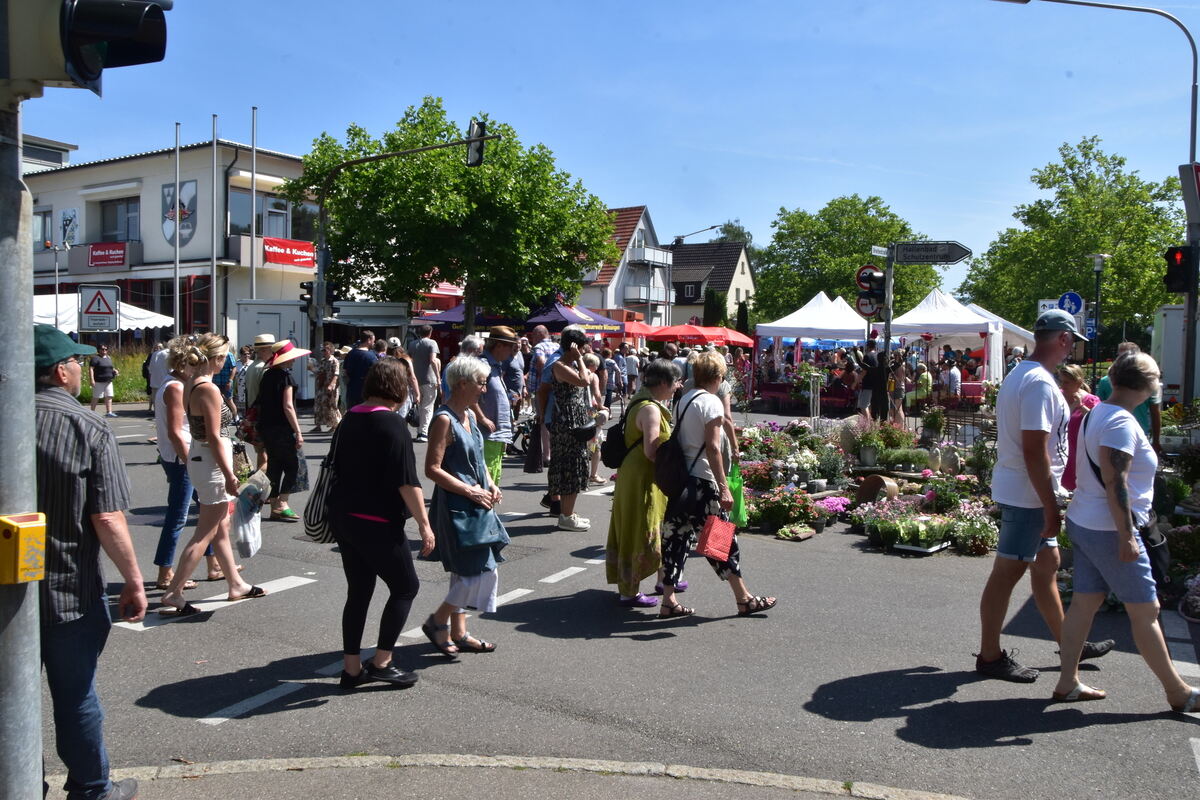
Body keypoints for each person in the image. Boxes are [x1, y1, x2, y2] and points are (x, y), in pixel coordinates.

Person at [34, 324, 146, 800]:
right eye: (76, 361)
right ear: (60, 372)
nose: (82, 368)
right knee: (75, 694)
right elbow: (107, 516)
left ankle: (21, 782)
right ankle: (92, 789)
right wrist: (133, 580)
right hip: (66, 589)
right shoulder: (87, 426)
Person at [1054, 352, 1199, 712]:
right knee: (1146, 610)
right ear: (1147, 385)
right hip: (1109, 528)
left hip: (1085, 520)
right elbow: (1114, 480)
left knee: (1085, 603)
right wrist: (1127, 536)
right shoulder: (1119, 421)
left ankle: (1068, 681)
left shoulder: (1099, 411)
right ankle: (1177, 692)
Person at [975, 310, 1113, 682]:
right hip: (1029, 495)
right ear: (1063, 339)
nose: (1073, 350)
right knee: (1006, 574)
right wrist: (1051, 507)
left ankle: (1070, 642)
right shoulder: (1038, 382)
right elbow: (1034, 451)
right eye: (1073, 343)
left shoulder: (1025, 375)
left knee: (1046, 565)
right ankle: (990, 656)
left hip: (1028, 491)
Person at [329, 358, 435, 689]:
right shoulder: (392, 424)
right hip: (377, 520)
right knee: (405, 587)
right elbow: (407, 482)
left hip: (344, 516)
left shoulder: (349, 418)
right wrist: (424, 524)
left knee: (359, 591)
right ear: (399, 388)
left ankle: (351, 669)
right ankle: (382, 662)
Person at [659, 350, 776, 619]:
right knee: (722, 541)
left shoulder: (684, 399)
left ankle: (668, 601)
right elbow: (712, 448)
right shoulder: (711, 402)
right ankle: (744, 599)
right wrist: (723, 487)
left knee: (676, 539)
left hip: (682, 482)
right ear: (718, 376)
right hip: (703, 481)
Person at [160, 333, 265, 615]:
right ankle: (174, 592)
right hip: (211, 462)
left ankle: (236, 584)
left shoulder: (191, 382)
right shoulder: (208, 388)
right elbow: (215, 436)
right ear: (217, 358)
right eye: (226, 357)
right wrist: (230, 475)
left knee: (219, 527)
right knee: (205, 532)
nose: (228, 363)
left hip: (201, 457)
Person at [423, 356, 510, 657]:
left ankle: (458, 632)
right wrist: (470, 490)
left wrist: (490, 483)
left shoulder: (469, 415)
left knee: (467, 571)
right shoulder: (444, 419)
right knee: (478, 571)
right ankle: (438, 622)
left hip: (476, 502)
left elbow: (478, 461)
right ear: (462, 384)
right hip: (457, 505)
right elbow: (432, 469)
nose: (484, 389)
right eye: (481, 383)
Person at [606, 360, 677, 607]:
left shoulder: (640, 401)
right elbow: (651, 450)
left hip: (635, 474)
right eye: (676, 382)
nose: (677, 387)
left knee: (639, 525)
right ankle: (629, 591)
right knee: (639, 528)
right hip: (643, 477)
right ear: (664, 382)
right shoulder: (651, 409)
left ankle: (660, 580)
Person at [152, 337, 221, 589]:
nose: (197, 367)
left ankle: (214, 564)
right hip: (182, 459)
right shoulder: (175, 387)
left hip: (182, 457)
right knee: (179, 516)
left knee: (207, 511)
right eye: (193, 362)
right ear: (184, 363)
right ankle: (165, 572)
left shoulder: (175, 384)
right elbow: (175, 432)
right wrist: (189, 462)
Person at [547, 325, 595, 531]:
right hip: (566, 425)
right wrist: (579, 359)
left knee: (576, 466)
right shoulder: (560, 366)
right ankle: (566, 516)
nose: (584, 351)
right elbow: (585, 381)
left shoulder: (570, 365)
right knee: (570, 468)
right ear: (574, 347)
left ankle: (568, 513)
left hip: (574, 422)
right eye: (582, 348)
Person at [257, 339, 310, 521]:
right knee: (295, 465)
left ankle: (274, 506)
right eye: (291, 358)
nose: (293, 360)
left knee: (275, 466)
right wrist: (298, 431)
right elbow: (288, 406)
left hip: (267, 427)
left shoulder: (266, 376)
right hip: (282, 428)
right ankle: (283, 502)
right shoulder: (286, 377)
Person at [1096, 342, 1162, 454]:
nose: (1123, 362)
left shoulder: (1093, 414)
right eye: (1120, 357)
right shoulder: (1122, 421)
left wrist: (1156, 440)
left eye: (1127, 357)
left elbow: (1155, 412)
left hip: (1140, 433)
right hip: (1114, 432)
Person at [479, 327, 520, 485]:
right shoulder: (483, 365)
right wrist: (482, 418)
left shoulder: (495, 366)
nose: (512, 352)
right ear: (499, 346)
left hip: (496, 435)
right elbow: (469, 395)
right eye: (511, 347)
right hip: (487, 435)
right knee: (486, 482)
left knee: (493, 480)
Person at [1057, 363, 1100, 492]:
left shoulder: (1091, 400)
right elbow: (1057, 422)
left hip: (1080, 454)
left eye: (1067, 382)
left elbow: (1097, 422)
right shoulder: (1057, 397)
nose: (1062, 386)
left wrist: (1081, 406)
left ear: (1078, 382)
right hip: (1060, 452)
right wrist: (1072, 407)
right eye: (1061, 381)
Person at [242, 333, 276, 471]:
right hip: (263, 416)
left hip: (253, 414)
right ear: (263, 350)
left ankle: (259, 481)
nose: (273, 353)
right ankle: (262, 482)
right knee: (267, 455)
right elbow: (267, 396)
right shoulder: (264, 369)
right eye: (271, 349)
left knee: (261, 453)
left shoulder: (252, 366)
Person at [408, 325, 441, 442]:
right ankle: (423, 433)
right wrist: (438, 377)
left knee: (419, 405)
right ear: (430, 333)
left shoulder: (412, 344)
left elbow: (409, 360)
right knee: (428, 406)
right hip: (429, 379)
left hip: (416, 379)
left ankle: (419, 431)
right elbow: (433, 360)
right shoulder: (432, 343)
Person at [310, 340, 342, 434]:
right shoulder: (323, 361)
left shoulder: (334, 361)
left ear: (330, 350)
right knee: (319, 405)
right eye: (322, 350)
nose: (323, 352)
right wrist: (312, 369)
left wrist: (332, 384)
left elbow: (336, 374)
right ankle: (318, 425)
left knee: (332, 406)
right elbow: (319, 372)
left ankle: (335, 425)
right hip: (322, 386)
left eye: (325, 350)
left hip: (331, 387)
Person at [343, 330, 379, 409]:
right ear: (369, 340)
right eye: (373, 341)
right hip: (366, 394)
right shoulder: (371, 356)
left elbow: (345, 373)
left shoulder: (350, 353)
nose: (374, 343)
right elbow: (376, 375)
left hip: (351, 393)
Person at [88, 344, 119, 417]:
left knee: (109, 396)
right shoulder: (95, 358)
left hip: (108, 381)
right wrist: (92, 379)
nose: (104, 351)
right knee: (96, 397)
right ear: (98, 350)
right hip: (98, 381)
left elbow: (110, 367)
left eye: (106, 349)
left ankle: (109, 412)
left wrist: (115, 370)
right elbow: (91, 369)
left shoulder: (108, 357)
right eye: (102, 349)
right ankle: (91, 412)